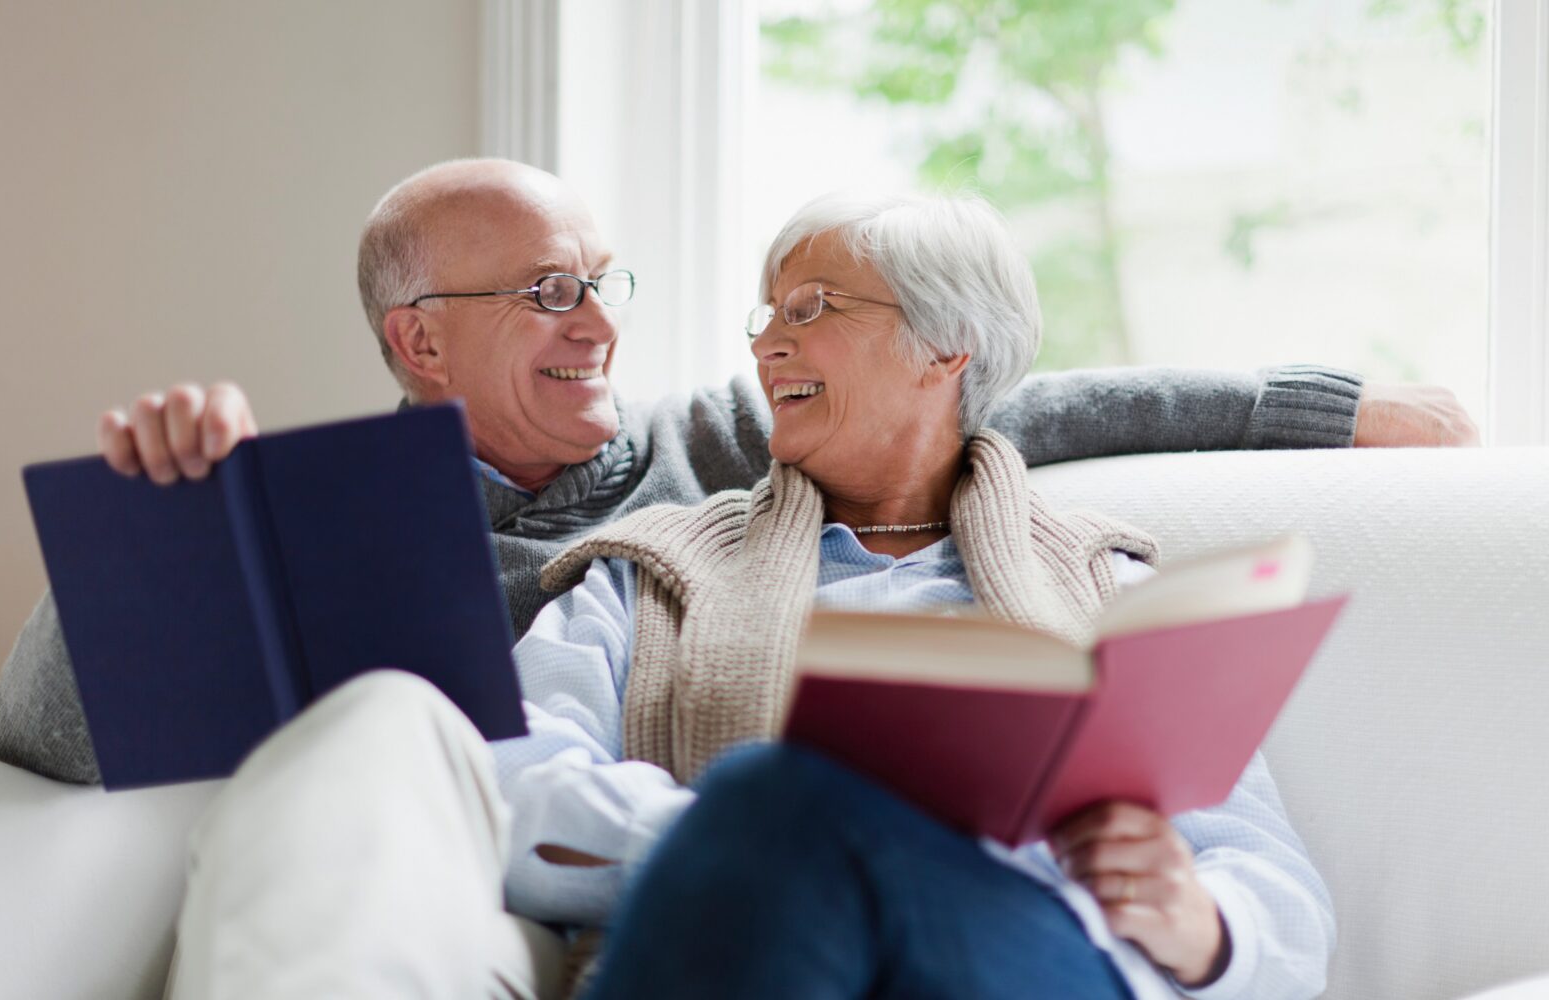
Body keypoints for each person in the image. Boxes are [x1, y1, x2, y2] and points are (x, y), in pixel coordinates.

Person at [166, 190, 1334, 999]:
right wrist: (751, 839)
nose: (768, 343)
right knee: (790, 794)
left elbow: (1273, 880)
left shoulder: (1107, 586)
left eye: (812, 309)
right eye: (765, 314)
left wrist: (1199, 921)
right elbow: (513, 791)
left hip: (1007, 958)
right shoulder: (648, 569)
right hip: (718, 947)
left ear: (947, 349)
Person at [0, 159, 1470, 787]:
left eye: (601, 279)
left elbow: (1043, 401)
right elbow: (51, 738)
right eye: (544, 294)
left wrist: (1330, 409)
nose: (599, 324)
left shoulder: (731, 447)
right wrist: (173, 533)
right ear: (419, 343)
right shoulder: (325, 527)